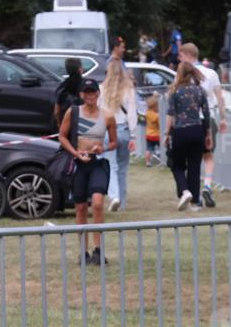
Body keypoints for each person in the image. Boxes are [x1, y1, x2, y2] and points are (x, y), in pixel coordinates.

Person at [59, 78, 117, 266]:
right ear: (82, 95)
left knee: (98, 203)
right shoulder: (73, 112)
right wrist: (76, 153)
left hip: (97, 163)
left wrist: (104, 148)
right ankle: (83, 252)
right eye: (87, 92)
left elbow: (115, 142)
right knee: (81, 208)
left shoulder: (107, 116)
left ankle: (98, 250)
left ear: (98, 94)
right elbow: (62, 136)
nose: (91, 95)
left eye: (94, 92)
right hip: (78, 163)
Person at [177, 43, 227, 207]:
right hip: (208, 118)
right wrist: (223, 118)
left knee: (191, 160)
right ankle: (207, 185)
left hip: (187, 121)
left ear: (189, 55)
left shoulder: (183, 73)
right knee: (208, 156)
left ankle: (193, 192)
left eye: (181, 56)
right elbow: (219, 97)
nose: (179, 59)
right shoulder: (211, 73)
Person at [164, 61, 211, 211]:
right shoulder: (200, 90)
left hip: (180, 131)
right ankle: (195, 202)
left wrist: (166, 134)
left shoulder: (175, 91)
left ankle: (185, 191)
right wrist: (208, 133)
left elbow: (170, 114)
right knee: (194, 166)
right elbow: (206, 113)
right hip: (197, 130)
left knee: (176, 165)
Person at [99, 59, 137, 212]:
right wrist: (133, 135)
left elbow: (98, 112)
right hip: (123, 130)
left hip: (107, 130)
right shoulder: (128, 90)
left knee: (111, 166)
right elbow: (132, 114)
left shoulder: (101, 90)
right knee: (122, 168)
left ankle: (114, 196)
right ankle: (122, 202)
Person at [53, 57, 84, 126]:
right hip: (84, 123)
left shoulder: (63, 87)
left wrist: (59, 124)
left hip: (67, 123)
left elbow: (57, 111)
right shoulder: (86, 85)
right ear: (80, 69)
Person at [144, 94, 160, 167]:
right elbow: (160, 125)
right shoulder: (156, 116)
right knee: (162, 147)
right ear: (155, 106)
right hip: (157, 134)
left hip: (148, 134)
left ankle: (147, 162)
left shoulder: (147, 113)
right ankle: (162, 159)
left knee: (148, 149)